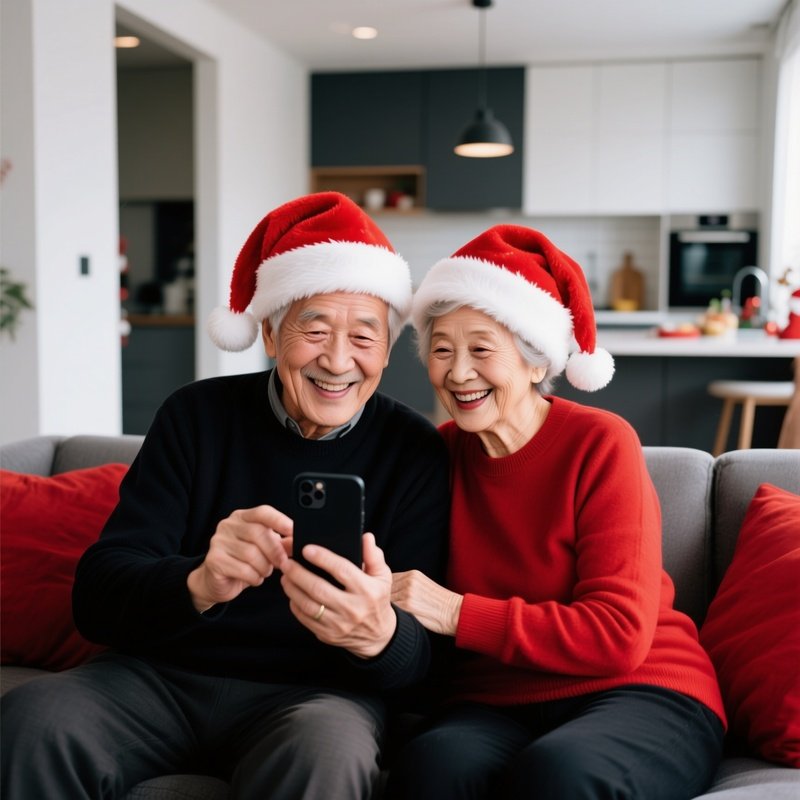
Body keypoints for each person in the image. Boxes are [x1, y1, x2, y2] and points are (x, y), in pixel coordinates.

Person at [1, 192, 449, 800]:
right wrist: (199, 582)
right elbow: (97, 597)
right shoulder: (196, 416)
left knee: (329, 754)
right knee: (38, 718)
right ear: (268, 330)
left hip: (316, 697)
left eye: (364, 337)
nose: (338, 360)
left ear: (389, 349)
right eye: (313, 329)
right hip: (157, 679)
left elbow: (428, 663)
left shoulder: (416, 450)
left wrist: (379, 634)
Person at [387, 224, 726, 800]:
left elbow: (618, 635)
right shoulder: (436, 454)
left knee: (561, 775)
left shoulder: (599, 443)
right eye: (441, 349)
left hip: (639, 686)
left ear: (536, 362)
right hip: (495, 699)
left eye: (482, 349)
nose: (459, 372)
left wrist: (456, 612)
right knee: (431, 768)